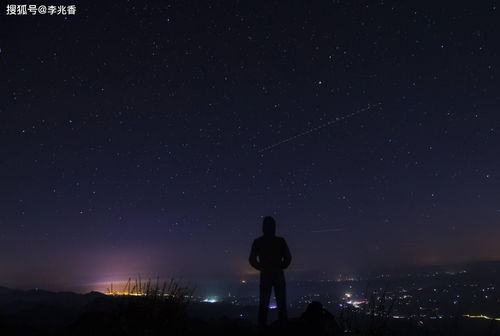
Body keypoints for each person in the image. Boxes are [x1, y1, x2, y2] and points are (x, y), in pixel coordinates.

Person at [249, 216, 292, 327]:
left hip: (266, 275)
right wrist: (280, 267)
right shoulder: (280, 241)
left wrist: (262, 267)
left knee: (264, 304)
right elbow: (288, 258)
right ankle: (283, 328)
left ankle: (262, 328)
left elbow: (252, 260)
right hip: (278, 275)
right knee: (281, 304)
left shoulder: (258, 242)